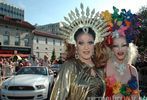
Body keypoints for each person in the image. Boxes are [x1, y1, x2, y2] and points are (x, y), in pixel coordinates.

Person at [50, 3, 110, 100]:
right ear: (76, 46)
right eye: (81, 43)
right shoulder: (69, 67)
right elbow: (57, 96)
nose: (86, 47)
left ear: (94, 45)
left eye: (90, 42)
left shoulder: (100, 69)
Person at [101, 7, 141, 99]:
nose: (120, 49)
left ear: (128, 47)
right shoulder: (104, 69)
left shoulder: (133, 70)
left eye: (123, 45)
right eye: (116, 46)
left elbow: (137, 97)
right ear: (111, 49)